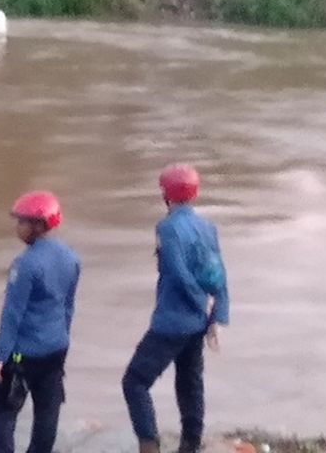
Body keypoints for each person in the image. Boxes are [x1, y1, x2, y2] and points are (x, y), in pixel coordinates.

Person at [121, 165, 230, 453]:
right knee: (190, 383)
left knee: (134, 382)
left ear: (167, 195)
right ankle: (190, 445)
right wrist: (215, 315)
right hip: (197, 323)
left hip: (171, 321)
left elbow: (177, 272)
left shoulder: (167, 228)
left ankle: (149, 444)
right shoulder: (208, 227)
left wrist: (197, 303)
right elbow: (218, 273)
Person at [0, 191, 81, 453]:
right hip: (56, 349)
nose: (18, 228)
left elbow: (12, 314)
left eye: (22, 222)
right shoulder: (71, 258)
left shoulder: (25, 265)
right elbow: (68, 307)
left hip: (22, 355)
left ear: (38, 225)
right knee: (47, 412)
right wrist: (62, 338)